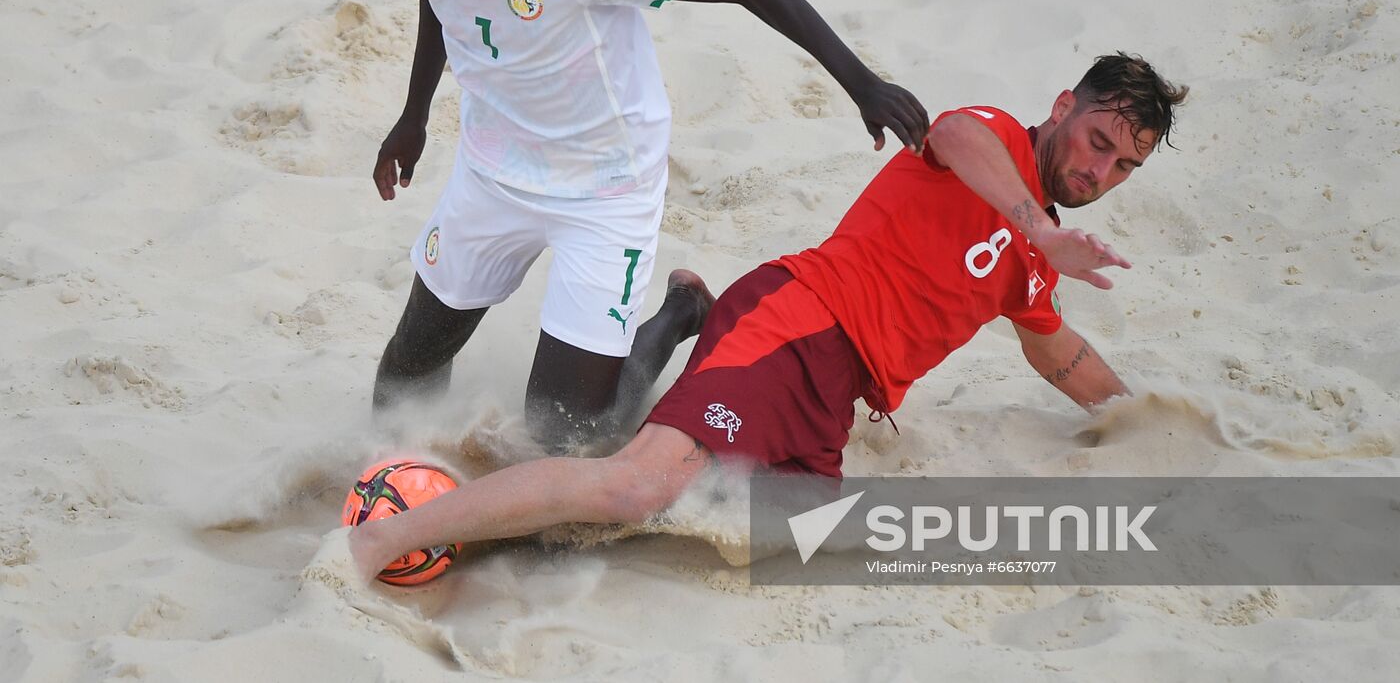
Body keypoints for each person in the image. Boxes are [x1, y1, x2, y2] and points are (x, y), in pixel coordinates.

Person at [345, 53, 1189, 582]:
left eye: (1125, 163)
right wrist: (1036, 221)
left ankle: (686, 321)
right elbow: (951, 133)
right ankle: (384, 542)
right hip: (798, 323)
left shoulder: (1038, 261)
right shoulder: (999, 142)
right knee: (633, 481)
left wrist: (1151, 423)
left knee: (801, 537)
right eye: (1098, 139)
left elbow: (1061, 355)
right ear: (1065, 103)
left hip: (833, 394)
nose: (1102, 168)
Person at [369, 0, 929, 448]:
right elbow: (439, 4)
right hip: (492, 173)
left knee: (566, 437)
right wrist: (414, 116)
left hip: (604, 188)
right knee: (405, 374)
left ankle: (679, 313)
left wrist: (862, 83)